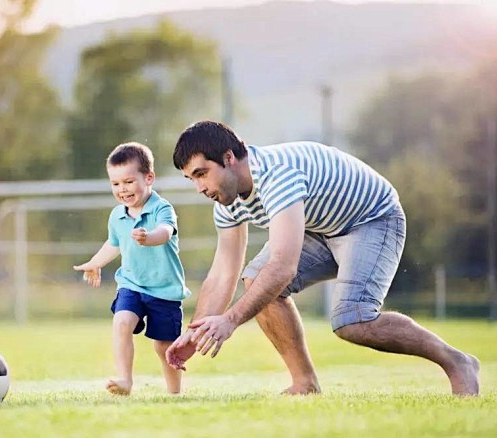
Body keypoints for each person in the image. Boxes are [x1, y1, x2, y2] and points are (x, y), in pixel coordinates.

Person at [165, 120, 480, 396]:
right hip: (321, 227)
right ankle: (305, 383)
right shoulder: (226, 200)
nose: (199, 187)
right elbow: (223, 272)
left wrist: (231, 320)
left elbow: (283, 266)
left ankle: (457, 360)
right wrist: (196, 331)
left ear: (229, 158)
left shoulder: (277, 177)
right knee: (255, 279)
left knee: (352, 321)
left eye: (201, 174)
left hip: (371, 219)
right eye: (191, 179)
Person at [74, 142, 191, 395]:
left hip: (164, 290)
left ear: (149, 178)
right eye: (115, 184)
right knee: (122, 321)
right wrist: (95, 262)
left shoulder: (162, 208)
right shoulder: (117, 215)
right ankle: (125, 380)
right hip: (131, 284)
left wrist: (148, 237)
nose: (122, 189)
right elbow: (113, 243)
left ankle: (174, 392)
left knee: (164, 346)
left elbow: (165, 232)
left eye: (128, 182)